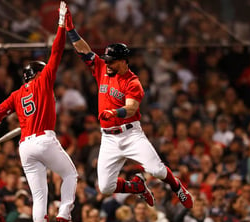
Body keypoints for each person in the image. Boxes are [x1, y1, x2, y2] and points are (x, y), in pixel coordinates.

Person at [0, 2, 76, 222]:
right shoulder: (44, 80)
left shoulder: (16, 94)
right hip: (44, 138)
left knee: (39, 196)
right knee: (70, 174)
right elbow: (57, 50)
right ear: (38, 73)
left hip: (25, 146)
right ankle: (65, 213)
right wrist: (61, 23)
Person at [64, 8, 193, 209]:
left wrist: (114, 113)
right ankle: (137, 187)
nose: (107, 63)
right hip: (108, 137)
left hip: (131, 134)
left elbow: (131, 108)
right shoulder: (101, 69)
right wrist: (70, 29)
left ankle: (177, 187)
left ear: (123, 62)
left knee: (157, 170)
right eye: (106, 60)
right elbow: (83, 50)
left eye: (112, 61)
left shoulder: (132, 82)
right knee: (105, 187)